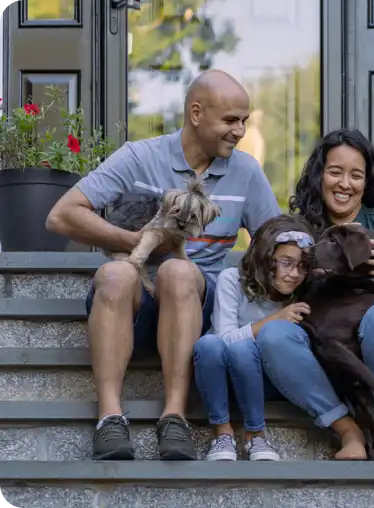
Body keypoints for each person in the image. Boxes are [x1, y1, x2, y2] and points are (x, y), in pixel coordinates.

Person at [45, 69, 281, 461]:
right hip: (132, 306)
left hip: (191, 301)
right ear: (195, 113)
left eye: (244, 120)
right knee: (116, 273)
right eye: (230, 120)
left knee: (178, 271)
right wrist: (136, 242)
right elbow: (62, 216)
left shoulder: (246, 172)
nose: (239, 131)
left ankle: (174, 417)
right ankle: (109, 418)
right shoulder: (140, 157)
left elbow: (274, 243)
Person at [255, 128, 374, 461]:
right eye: (335, 172)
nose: (345, 184)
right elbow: (277, 292)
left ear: (367, 181)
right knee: (274, 333)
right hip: (324, 366)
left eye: (356, 175)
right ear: (320, 176)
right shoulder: (299, 227)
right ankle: (348, 431)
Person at [193, 214, 315, 462]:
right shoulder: (232, 279)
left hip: (268, 378)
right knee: (208, 344)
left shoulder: (304, 293)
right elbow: (224, 338)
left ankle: (255, 435)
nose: (294, 274)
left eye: (303, 266)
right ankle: (222, 433)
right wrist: (274, 319)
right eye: (286, 263)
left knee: (242, 350)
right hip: (220, 374)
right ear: (265, 257)